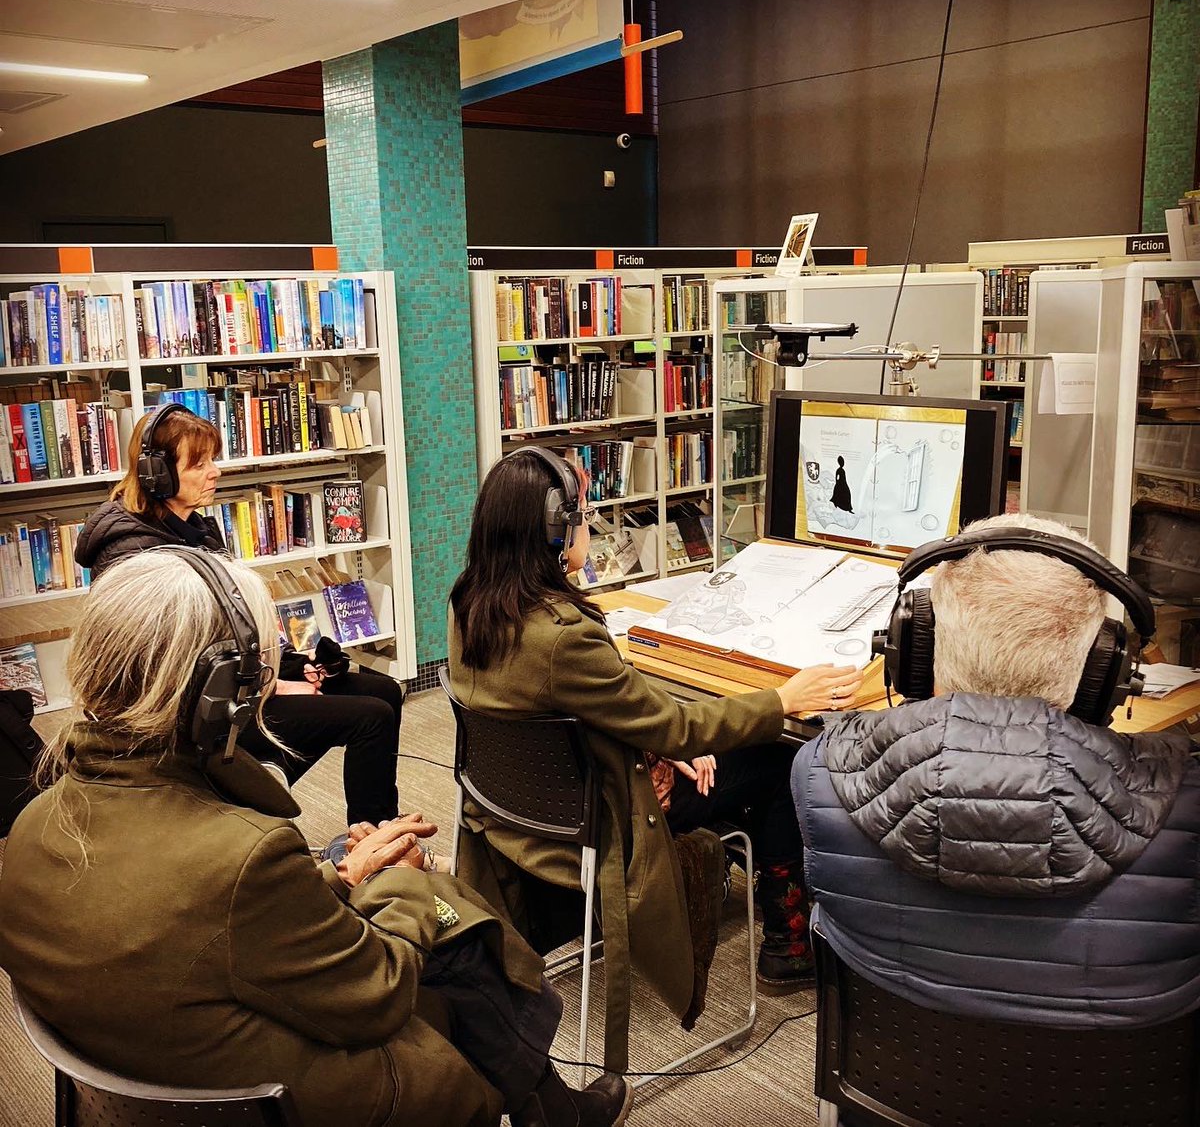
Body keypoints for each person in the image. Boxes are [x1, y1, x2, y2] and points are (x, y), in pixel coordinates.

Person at [0, 550, 631, 1127]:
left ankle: (549, 1108)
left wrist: (345, 874)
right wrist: (406, 883)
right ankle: (549, 1109)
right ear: (222, 696)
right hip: (288, 1099)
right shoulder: (242, 856)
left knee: (349, 862)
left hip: (151, 1079)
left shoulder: (29, 830)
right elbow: (377, 993)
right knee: (457, 930)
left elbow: (198, 920)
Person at [447, 447, 864, 1066]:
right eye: (584, 517)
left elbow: (575, 708)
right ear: (557, 535)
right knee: (780, 759)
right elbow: (673, 722)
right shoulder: (564, 637)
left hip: (519, 816)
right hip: (601, 825)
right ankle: (786, 942)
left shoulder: (470, 605)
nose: (591, 529)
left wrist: (650, 742)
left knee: (717, 752)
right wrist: (781, 698)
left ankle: (746, 889)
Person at [792, 514, 1200, 1027]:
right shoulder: (1186, 803)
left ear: (916, 646)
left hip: (895, 1088)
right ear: (1106, 673)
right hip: (1118, 1100)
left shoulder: (820, 773)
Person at [74, 403, 404, 826]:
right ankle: (373, 839)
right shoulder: (133, 555)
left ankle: (287, 789)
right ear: (157, 473)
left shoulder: (193, 528)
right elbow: (177, 667)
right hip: (191, 714)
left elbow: (233, 621)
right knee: (369, 719)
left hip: (238, 681)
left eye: (212, 460)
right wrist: (273, 689)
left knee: (385, 693)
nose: (215, 472)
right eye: (198, 464)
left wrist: (292, 665)